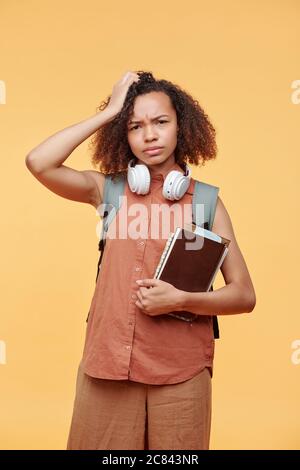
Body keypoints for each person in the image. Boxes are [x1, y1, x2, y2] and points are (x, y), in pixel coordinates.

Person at [25, 70, 256, 450]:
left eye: (161, 122)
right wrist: (109, 111)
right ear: (123, 134)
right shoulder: (107, 191)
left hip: (181, 374)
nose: (149, 135)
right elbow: (39, 162)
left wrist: (180, 300)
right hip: (107, 366)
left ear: (181, 127)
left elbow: (244, 295)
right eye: (134, 126)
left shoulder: (206, 203)